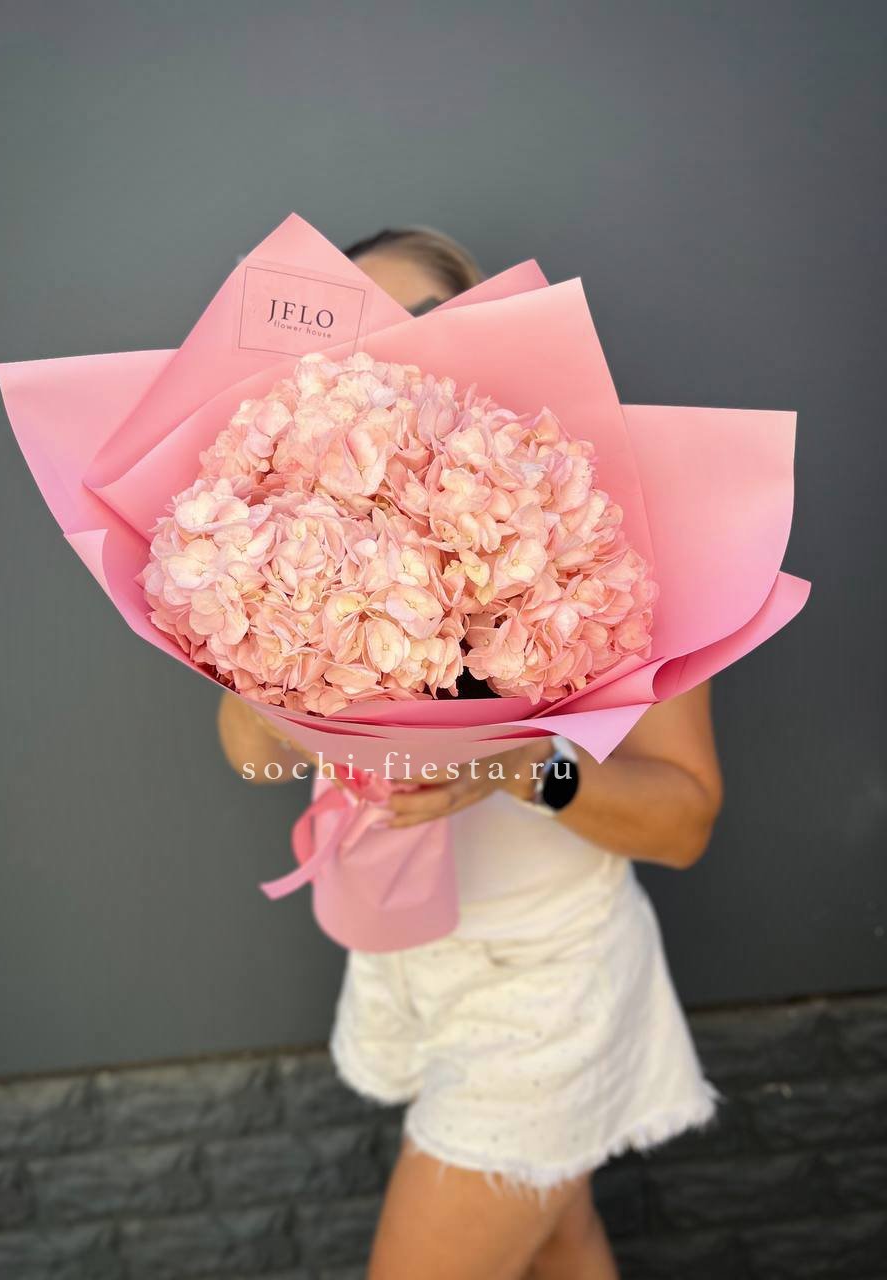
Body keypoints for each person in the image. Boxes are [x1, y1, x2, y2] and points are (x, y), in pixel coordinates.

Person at [217, 225, 724, 1280]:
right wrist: (280, 663)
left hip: (546, 982)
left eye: (416, 330)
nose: (386, 366)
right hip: (404, 951)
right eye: (352, 344)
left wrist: (513, 763)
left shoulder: (607, 527)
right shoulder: (287, 529)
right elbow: (250, 758)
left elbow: (683, 822)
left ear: (485, 339)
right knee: (561, 1244)